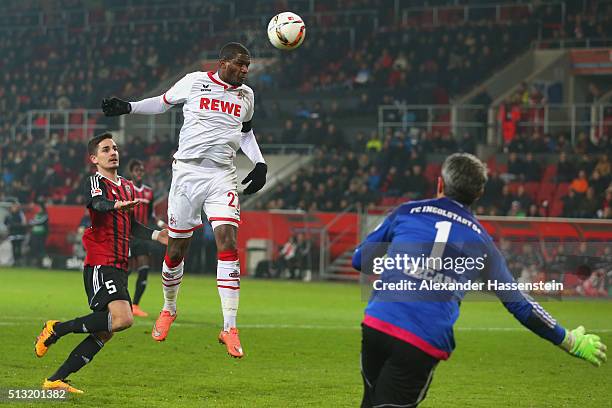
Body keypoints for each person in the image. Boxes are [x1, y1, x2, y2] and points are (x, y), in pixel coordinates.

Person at [352, 153, 607, 408]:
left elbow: (359, 260)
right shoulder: (482, 242)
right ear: (478, 194)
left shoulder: (406, 211)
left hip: (378, 323)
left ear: (440, 184)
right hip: (421, 338)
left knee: (370, 401)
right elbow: (520, 304)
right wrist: (568, 341)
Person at [102, 42, 267, 358]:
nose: (246, 70)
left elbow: (245, 132)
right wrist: (128, 106)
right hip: (187, 175)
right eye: (241, 64)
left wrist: (259, 162)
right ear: (223, 62)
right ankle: (169, 308)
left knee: (228, 242)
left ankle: (229, 327)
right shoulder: (194, 82)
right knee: (176, 249)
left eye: (249, 65)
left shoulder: (247, 96)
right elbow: (163, 103)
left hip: (222, 176)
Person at [34, 133, 168, 393]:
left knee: (107, 329)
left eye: (115, 148)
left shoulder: (128, 186)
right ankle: (56, 328)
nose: (113, 152)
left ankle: (55, 380)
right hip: (100, 262)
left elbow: (131, 225)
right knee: (123, 319)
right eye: (106, 149)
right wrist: (116, 205)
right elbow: (97, 203)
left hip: (119, 264)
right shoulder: (96, 181)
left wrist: (155, 235)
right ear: (94, 158)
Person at [127, 159, 167, 317]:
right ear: (131, 172)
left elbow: (151, 215)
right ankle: (117, 302)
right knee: (126, 270)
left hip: (142, 235)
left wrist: (162, 224)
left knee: (144, 268)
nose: (139, 173)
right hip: (128, 235)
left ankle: (135, 305)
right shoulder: (126, 188)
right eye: (137, 170)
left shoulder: (148, 192)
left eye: (141, 170)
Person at [29, 198, 49, 267]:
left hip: (41, 234)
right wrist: (33, 222)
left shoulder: (45, 215)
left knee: (41, 248)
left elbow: (39, 222)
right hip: (34, 233)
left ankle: (42, 262)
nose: (38, 209)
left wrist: (33, 222)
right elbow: (32, 221)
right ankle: (36, 261)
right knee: (35, 248)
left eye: (40, 208)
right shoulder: (37, 215)